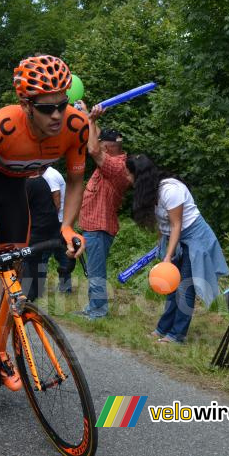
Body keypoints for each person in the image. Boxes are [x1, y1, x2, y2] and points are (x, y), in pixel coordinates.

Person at [0, 54, 88, 391]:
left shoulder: (76, 126)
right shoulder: (4, 126)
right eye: (46, 108)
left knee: (19, 261)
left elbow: (75, 181)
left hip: (15, 185)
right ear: (26, 105)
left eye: (62, 103)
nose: (57, 114)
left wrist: (67, 226)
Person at [127, 154, 229, 344]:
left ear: (138, 175)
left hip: (194, 238)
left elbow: (177, 224)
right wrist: (162, 247)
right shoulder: (150, 192)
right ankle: (162, 329)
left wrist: (168, 256)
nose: (126, 177)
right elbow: (163, 226)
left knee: (184, 287)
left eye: (128, 173)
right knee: (171, 285)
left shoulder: (170, 190)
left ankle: (177, 335)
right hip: (173, 238)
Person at [76, 111, 131, 319]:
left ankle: (98, 311)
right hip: (94, 229)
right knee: (93, 270)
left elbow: (93, 148)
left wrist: (90, 121)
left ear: (107, 148)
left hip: (100, 230)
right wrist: (88, 113)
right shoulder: (112, 160)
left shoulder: (117, 166)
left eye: (102, 145)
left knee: (96, 272)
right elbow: (97, 138)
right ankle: (93, 307)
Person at [21, 166, 63, 301]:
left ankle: (28, 294)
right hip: (48, 228)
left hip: (36, 229)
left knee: (27, 259)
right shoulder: (42, 181)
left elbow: (22, 208)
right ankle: (36, 292)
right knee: (37, 260)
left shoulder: (29, 184)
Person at [41, 165, 73, 293]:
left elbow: (57, 198)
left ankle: (38, 287)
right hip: (60, 221)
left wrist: (50, 220)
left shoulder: (50, 175)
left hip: (56, 221)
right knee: (62, 254)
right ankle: (65, 287)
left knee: (43, 254)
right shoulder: (50, 173)